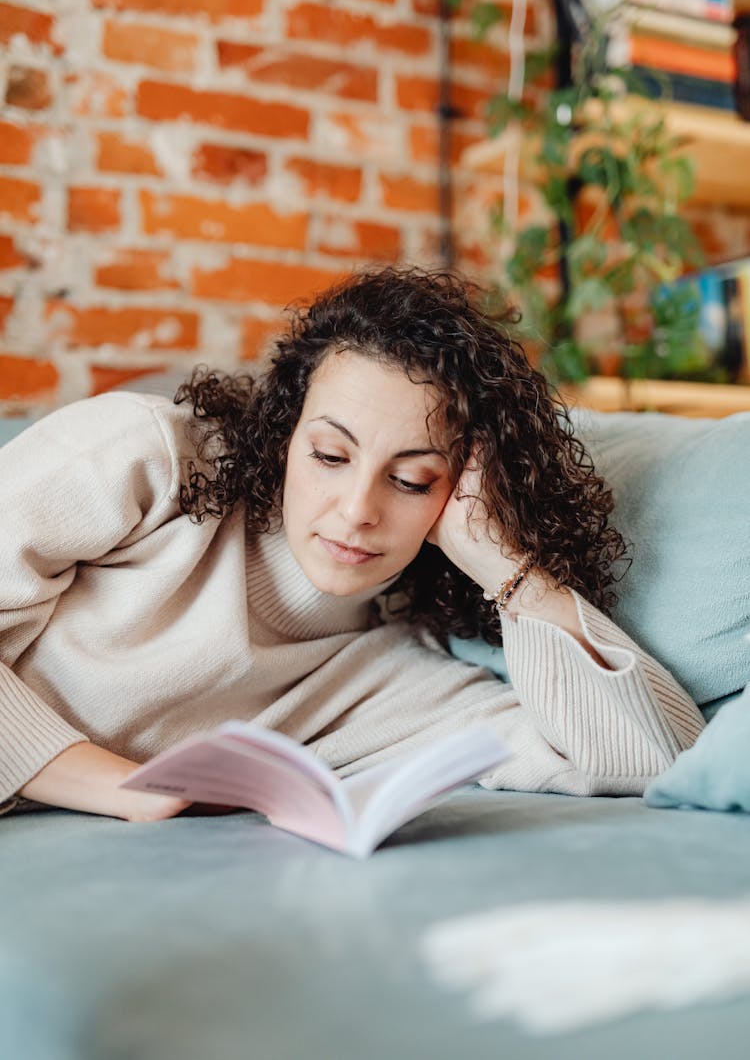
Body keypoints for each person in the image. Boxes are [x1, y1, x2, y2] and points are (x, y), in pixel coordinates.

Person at [0, 267, 704, 822]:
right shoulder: (152, 458)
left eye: (410, 477)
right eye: (331, 457)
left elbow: (655, 759)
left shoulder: (393, 668)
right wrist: (122, 787)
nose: (359, 510)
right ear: (283, 435)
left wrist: (507, 566)